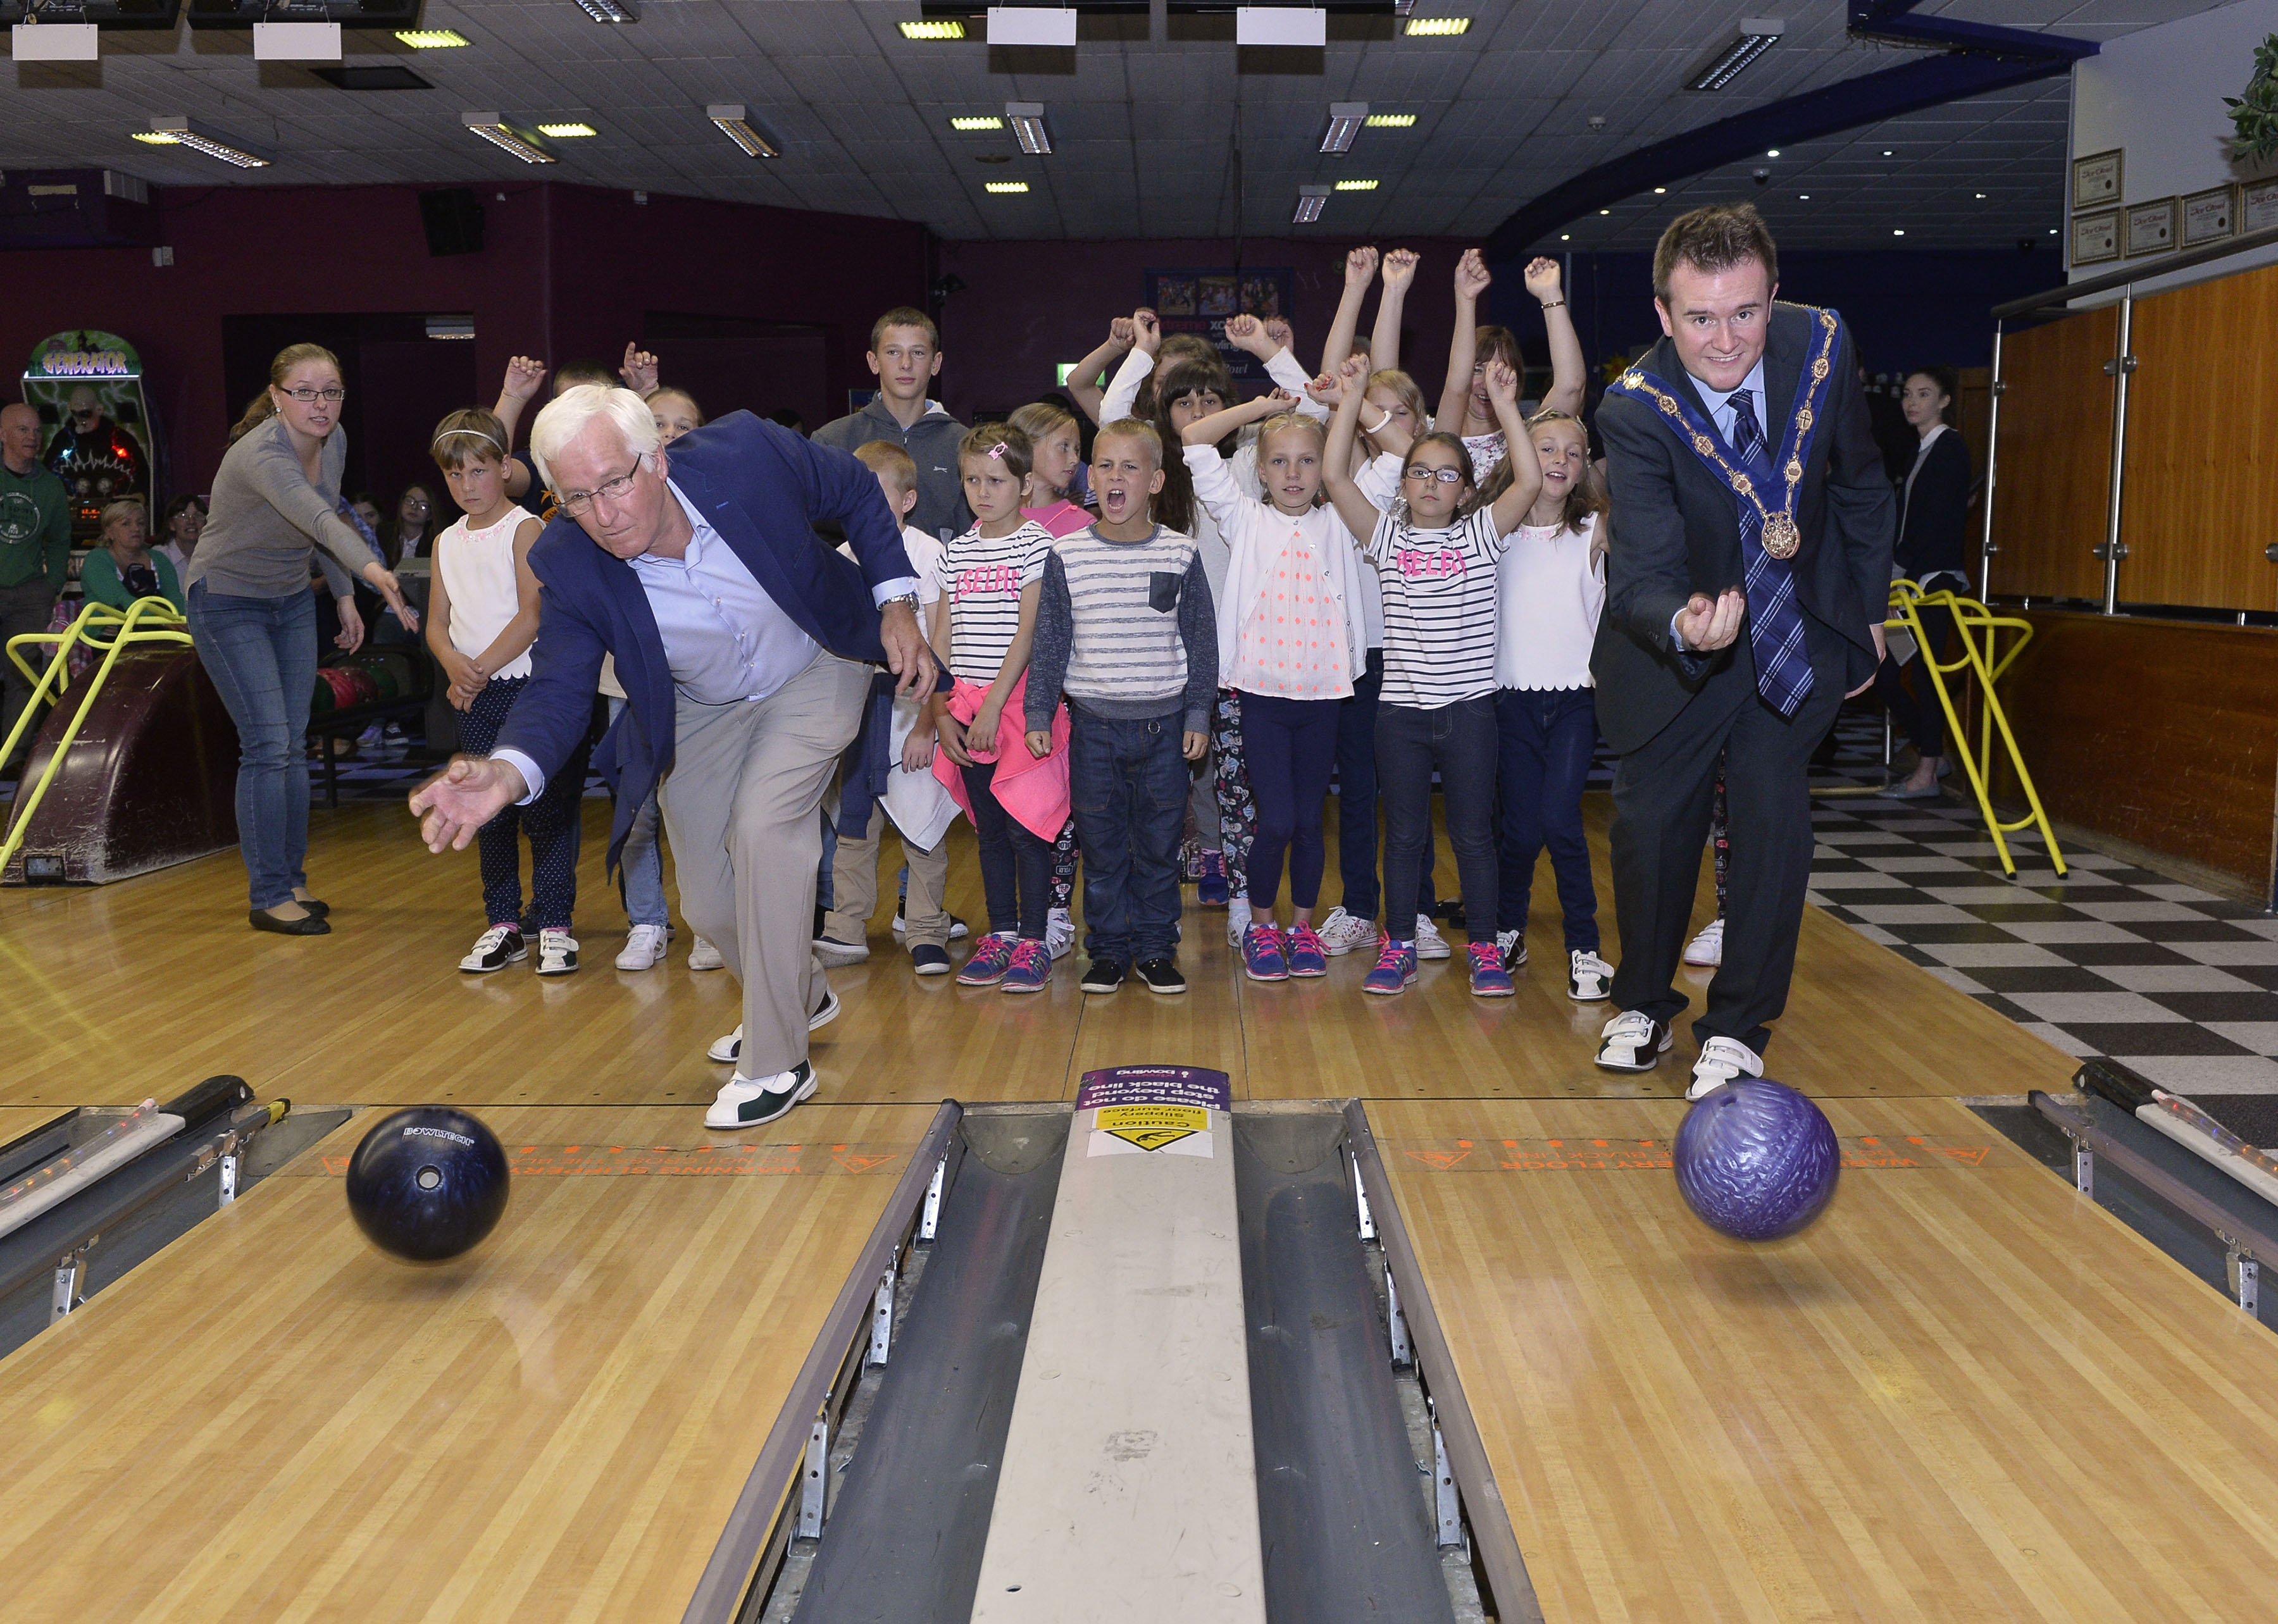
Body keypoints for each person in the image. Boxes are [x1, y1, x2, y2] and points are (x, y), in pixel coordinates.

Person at [408, 385, 936, 1132]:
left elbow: (852, 487)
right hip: (704, 704)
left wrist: (895, 601)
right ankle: (802, 990)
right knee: (710, 905)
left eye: (617, 482)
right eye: (578, 496)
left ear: (656, 457)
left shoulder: (747, 452)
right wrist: (505, 768)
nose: (604, 512)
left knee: (763, 829)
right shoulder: (569, 558)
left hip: (815, 660)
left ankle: (779, 1061)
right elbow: (558, 687)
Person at [1589, 203, 1894, 1096]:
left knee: (1771, 819)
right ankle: (1642, 1002)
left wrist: (1870, 609)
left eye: (1746, 312)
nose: (1726, 340)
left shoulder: (1825, 348)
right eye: (1699, 317)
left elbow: (1865, 485)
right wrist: (1686, 623)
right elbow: (1640, 566)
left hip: (1795, 631)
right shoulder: (1635, 407)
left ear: (1773, 295)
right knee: (1652, 826)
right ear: (1662, 313)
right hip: (1682, 641)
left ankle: (1739, 1022)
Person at [1323, 352, 1541, 1000]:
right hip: (1402, 716)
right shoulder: (1387, 540)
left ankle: (1484, 948)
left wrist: (1505, 404)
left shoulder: (1479, 537)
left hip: (1471, 712)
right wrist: (1351, 395)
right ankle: (1397, 947)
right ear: (1404, 484)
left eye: (1447, 475)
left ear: (1466, 490)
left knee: (1475, 835)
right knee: (1407, 836)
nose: (1430, 483)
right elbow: (1335, 476)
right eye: (1419, 472)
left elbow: (1526, 483)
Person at [188, 343, 418, 935]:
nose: (321, 404)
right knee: (266, 743)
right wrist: (372, 571)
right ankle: (267, 894)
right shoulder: (261, 453)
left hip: (289, 599)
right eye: (306, 392)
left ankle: (289, 878)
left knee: (292, 743)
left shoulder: (332, 442)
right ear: (277, 396)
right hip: (227, 599)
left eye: (332, 391)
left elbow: (326, 513)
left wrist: (342, 592)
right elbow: (315, 519)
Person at [1181, 390, 1367, 984]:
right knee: (1277, 821)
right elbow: (1195, 440)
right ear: (1260, 470)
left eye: (1307, 461)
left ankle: (1302, 929)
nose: (1293, 474)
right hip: (1260, 697)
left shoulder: (1341, 520)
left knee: (1310, 821)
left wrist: (1351, 400)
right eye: (1280, 462)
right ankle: (1262, 926)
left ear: (1326, 469)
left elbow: (1394, 451)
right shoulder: (1244, 518)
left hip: (1323, 699)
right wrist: (1257, 410)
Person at [1024, 418, 1215, 996]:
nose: (1115, 476)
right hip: (1094, 731)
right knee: (1102, 847)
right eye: (1104, 464)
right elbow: (1051, 640)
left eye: (1130, 466)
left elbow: (1202, 641)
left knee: (1157, 846)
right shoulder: (1068, 554)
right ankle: (1106, 950)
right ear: (1091, 476)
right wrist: (1037, 713)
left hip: (1164, 732)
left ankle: (1156, 948)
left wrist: (1198, 714)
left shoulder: (1182, 553)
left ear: (1156, 480)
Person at [423, 408, 586, 977]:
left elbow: (531, 612)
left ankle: (557, 924)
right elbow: (437, 623)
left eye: (479, 471)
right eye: (455, 475)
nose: (468, 485)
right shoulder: (445, 541)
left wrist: (480, 668)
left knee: (545, 809)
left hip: (528, 690)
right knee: (486, 816)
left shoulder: (525, 527)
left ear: (503, 467)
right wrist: (454, 667)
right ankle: (503, 923)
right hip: (475, 694)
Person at [926, 425, 1066, 993]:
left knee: (1027, 829)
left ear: (1026, 484)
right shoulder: (954, 552)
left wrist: (996, 708)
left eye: (997, 480)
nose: (983, 490)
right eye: (972, 479)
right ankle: (1002, 933)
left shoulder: (1038, 546)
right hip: (966, 706)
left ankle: (1034, 939)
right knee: (988, 830)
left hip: (1020, 706)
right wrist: (940, 712)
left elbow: (1030, 631)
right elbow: (941, 637)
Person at [816, 440, 963, 976]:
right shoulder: (840, 559)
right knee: (854, 825)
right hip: (859, 711)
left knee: (923, 827)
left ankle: (926, 929)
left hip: (913, 709)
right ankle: (846, 928)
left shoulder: (929, 554)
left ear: (907, 500)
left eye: (877, 497)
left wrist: (930, 722)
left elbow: (941, 642)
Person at [1493, 408, 1614, 1000]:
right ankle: (1508, 931)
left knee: (1562, 824)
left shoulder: (1596, 527)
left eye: (1573, 451)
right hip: (1509, 701)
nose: (1560, 460)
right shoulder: (1495, 529)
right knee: (1519, 832)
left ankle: (1584, 948)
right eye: (1546, 448)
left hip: (1574, 703)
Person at [1879, 366, 1972, 798]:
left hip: (1931, 581)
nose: (1912, 401)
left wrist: (1904, 582)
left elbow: (1934, 526)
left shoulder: (1949, 449)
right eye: (1908, 393)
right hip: (1912, 579)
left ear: (1945, 400)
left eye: (1924, 393)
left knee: (1926, 673)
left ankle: (1928, 771)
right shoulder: (1919, 451)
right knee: (1885, 671)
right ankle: (1931, 751)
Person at [812, 309, 971, 543]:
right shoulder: (832, 441)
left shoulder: (965, 446)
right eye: (893, 352)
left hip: (942, 579)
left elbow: (979, 537)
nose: (906, 364)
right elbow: (816, 535)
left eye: (917, 353)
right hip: (856, 579)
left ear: (935, 363)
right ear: (874, 362)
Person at [0, 401, 73, 767]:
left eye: (37, 431)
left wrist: (53, 584)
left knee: (25, 678)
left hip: (31, 593)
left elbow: (61, 540)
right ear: (2, 435)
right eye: (22, 430)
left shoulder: (50, 487)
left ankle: (10, 761)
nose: (33, 437)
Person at [45, 383, 149, 536]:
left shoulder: (121, 439)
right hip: (71, 526)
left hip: (118, 525)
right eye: (75, 413)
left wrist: (130, 498)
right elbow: (46, 474)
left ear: (99, 410)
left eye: (85, 413)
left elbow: (143, 479)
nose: (80, 419)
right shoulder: (63, 440)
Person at [78, 497, 182, 629]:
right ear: (109, 532)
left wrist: (184, 622)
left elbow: (175, 599)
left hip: (160, 632)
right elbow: (119, 599)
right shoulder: (96, 559)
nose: (136, 529)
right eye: (126, 524)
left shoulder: (159, 559)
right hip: (108, 639)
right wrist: (160, 620)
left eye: (140, 523)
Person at [155, 493, 208, 581]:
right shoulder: (159, 557)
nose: (191, 521)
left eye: (198, 516)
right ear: (172, 524)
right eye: (183, 516)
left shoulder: (214, 557)